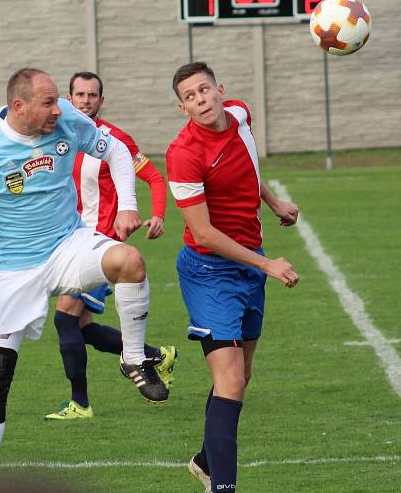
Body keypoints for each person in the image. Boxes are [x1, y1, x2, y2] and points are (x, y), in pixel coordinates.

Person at [0, 68, 168, 493]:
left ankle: (134, 358)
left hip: (68, 246)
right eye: (48, 103)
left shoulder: (65, 119)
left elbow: (117, 151)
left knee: (130, 262)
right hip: (11, 272)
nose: (59, 109)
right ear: (18, 106)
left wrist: (127, 205)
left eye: (56, 101)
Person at [166, 62, 300, 492]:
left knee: (240, 376)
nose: (200, 99)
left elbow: (248, 162)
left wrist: (274, 201)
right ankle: (223, 486)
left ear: (220, 91)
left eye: (204, 90)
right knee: (231, 381)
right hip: (209, 271)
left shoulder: (240, 113)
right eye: (190, 96)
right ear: (182, 107)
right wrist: (268, 265)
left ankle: (207, 460)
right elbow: (202, 232)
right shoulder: (183, 153)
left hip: (249, 262)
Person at [45, 71, 176, 421]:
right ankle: (154, 355)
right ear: (68, 99)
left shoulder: (113, 139)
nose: (86, 100)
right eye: (79, 94)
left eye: (92, 95)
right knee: (84, 328)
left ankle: (80, 404)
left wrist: (157, 215)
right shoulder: (60, 136)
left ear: (102, 100)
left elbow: (154, 178)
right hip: (70, 242)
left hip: (102, 245)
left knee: (64, 319)